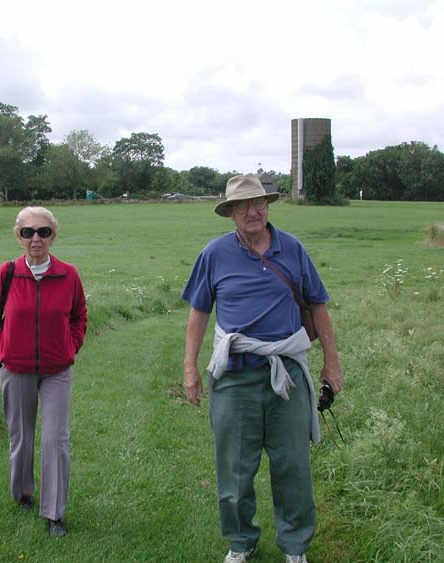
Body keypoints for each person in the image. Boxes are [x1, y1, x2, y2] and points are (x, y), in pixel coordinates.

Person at [181, 174, 343, 563]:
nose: (252, 212)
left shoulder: (293, 249)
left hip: (286, 373)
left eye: (258, 204)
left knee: (293, 467)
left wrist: (332, 365)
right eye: (242, 206)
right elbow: (199, 312)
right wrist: (190, 367)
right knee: (234, 470)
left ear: (268, 207)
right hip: (234, 376)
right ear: (231, 213)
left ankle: (295, 546)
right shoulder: (215, 254)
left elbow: (318, 306)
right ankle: (241, 542)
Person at [0, 206, 87, 537]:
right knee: (21, 436)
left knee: (55, 439)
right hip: (16, 368)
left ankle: (54, 514)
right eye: (28, 232)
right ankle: (23, 492)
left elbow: (80, 316)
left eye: (43, 232)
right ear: (20, 237)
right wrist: (1, 347)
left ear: (53, 236)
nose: (36, 238)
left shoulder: (68, 274)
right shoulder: (8, 273)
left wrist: (71, 346)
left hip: (57, 369)